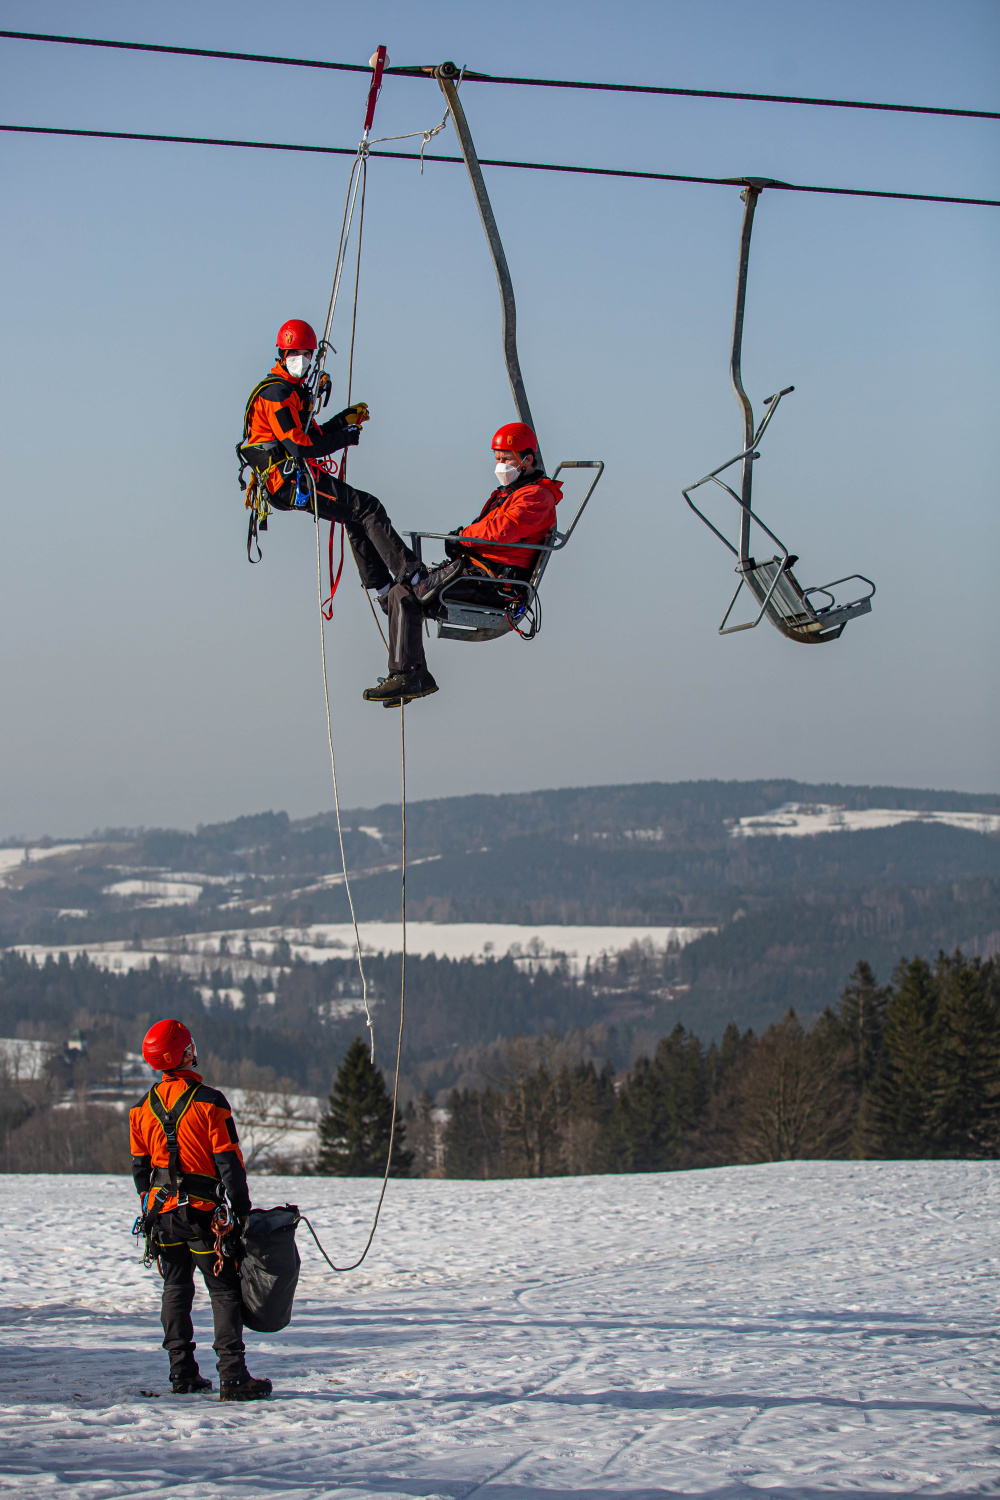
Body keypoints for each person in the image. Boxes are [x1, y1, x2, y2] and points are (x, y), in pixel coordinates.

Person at [240, 319, 439, 706]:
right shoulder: (279, 394)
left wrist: (340, 421)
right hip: (289, 480)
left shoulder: (292, 393)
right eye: (295, 354)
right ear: (283, 355)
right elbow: (299, 447)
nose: (301, 360)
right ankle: (410, 575)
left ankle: (385, 589)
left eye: (305, 355)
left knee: (355, 512)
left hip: (292, 478)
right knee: (367, 507)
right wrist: (343, 437)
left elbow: (310, 437)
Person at [359, 420, 563, 705]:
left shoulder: (536, 497)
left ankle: (409, 673)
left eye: (506, 459)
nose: (500, 465)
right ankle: (412, 675)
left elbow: (501, 531)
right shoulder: (511, 493)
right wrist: (462, 540)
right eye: (497, 458)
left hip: (495, 583)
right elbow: (489, 528)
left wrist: (462, 538)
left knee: (408, 592)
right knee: (399, 593)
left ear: (526, 459)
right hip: (475, 572)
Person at [129, 1019, 272, 1402]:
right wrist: (241, 1213)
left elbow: (140, 1170)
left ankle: (182, 1373)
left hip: (162, 1217)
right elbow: (229, 1164)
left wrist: (150, 1212)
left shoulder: (141, 1109)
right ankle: (233, 1376)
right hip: (202, 1216)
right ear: (185, 1053)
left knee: (175, 1287)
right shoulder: (211, 1102)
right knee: (223, 1291)